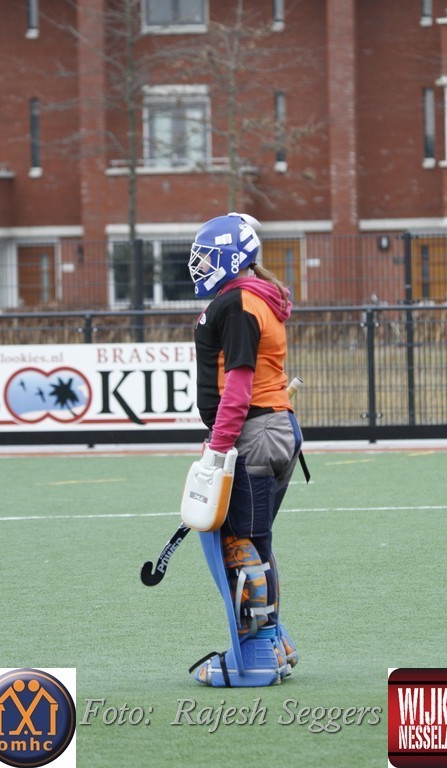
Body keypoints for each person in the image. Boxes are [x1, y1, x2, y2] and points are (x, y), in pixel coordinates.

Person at [186, 212, 303, 687]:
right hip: (273, 429)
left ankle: (255, 658)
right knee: (256, 542)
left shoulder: (237, 303)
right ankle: (274, 642)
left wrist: (218, 446)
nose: (199, 265)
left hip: (254, 433)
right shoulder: (254, 296)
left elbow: (238, 385)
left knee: (240, 544)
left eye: (207, 256)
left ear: (232, 257)